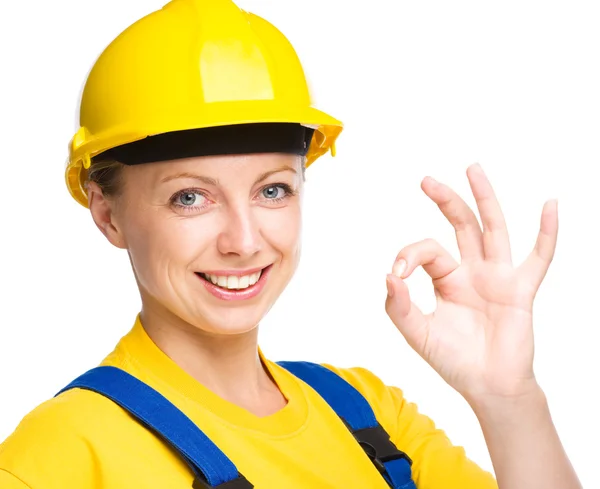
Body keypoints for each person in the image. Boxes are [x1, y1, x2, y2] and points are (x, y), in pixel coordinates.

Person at [0, 0, 582, 488]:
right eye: (189, 198)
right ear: (109, 217)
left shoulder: (367, 415)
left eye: (272, 190)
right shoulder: (63, 456)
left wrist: (509, 399)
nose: (244, 240)